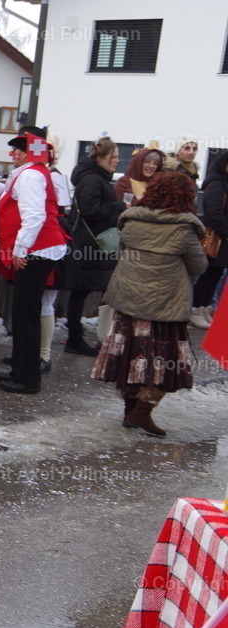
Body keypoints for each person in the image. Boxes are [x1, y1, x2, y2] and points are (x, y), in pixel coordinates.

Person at [92, 171, 208, 436]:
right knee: (165, 362)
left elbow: (121, 253)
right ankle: (142, 412)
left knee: (131, 359)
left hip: (129, 302)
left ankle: (129, 412)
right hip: (164, 307)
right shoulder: (184, 228)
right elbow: (199, 266)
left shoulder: (131, 221)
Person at [0, 126, 69, 394]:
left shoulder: (31, 176)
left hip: (37, 250)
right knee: (24, 313)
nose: (12, 153)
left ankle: (27, 378)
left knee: (25, 315)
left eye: (18, 149)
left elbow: (34, 216)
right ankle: (21, 369)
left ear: (29, 153)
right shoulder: (32, 172)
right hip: (40, 249)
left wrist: (20, 250)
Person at [65, 137, 125, 355]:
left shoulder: (95, 177)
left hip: (92, 242)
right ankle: (76, 338)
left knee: (83, 290)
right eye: (114, 157)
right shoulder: (93, 179)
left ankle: (79, 337)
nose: (117, 161)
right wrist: (119, 206)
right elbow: (90, 210)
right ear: (101, 157)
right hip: (90, 243)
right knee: (82, 290)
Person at [191, 149, 228, 329]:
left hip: (223, 239)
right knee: (207, 275)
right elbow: (214, 212)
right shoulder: (216, 183)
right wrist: (226, 232)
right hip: (217, 237)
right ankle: (196, 309)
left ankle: (205, 309)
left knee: (216, 274)